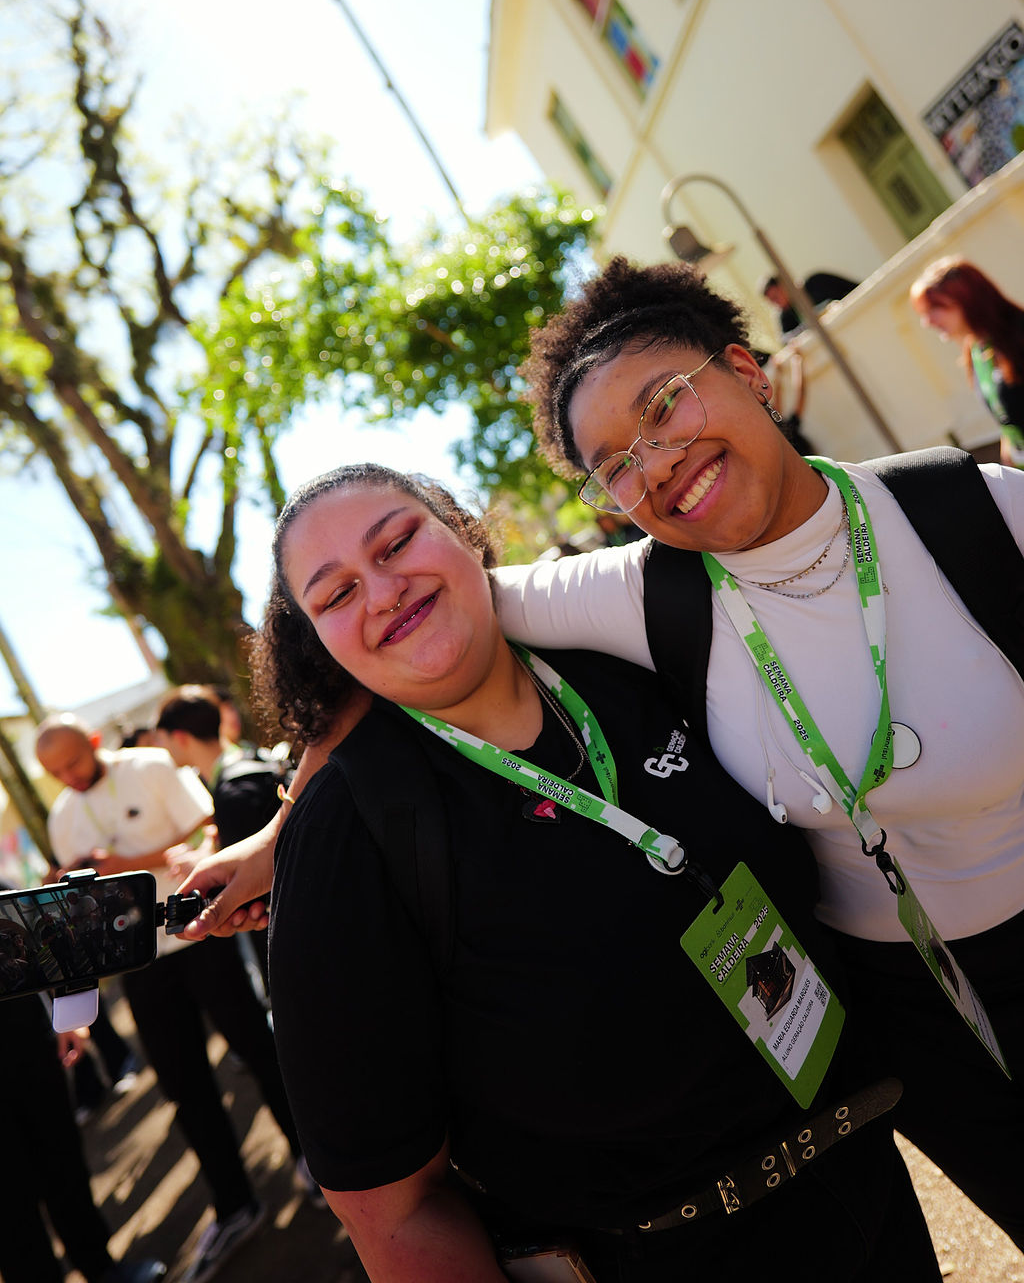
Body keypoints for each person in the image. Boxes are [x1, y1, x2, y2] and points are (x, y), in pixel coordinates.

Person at [241, 461, 940, 1283]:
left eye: (396, 544)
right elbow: (390, 1211)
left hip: (864, 1183)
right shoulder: (347, 837)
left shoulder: (626, 659)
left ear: (464, 532)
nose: (384, 592)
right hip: (668, 1259)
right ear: (317, 643)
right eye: (336, 595)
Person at [478, 254, 1024, 1249]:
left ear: (748, 372)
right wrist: (283, 826)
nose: (654, 465)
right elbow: (430, 612)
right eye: (615, 465)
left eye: (664, 405)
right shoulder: (649, 596)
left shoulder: (979, 511)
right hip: (905, 1020)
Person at [36, 715, 316, 1283]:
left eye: (73, 762)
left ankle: (312, 1156)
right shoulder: (61, 815)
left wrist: (128, 866)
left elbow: (210, 831)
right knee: (183, 1084)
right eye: (55, 772)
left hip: (202, 933)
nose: (68, 777)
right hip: (138, 961)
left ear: (94, 743)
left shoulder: (151, 766)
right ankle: (235, 1204)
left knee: (258, 1046)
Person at [0, 976, 165, 1283]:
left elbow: (32, 945)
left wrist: (69, 1010)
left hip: (21, 1020)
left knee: (62, 1156)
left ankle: (102, 1269)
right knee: (9, 1200)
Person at [153, 684, 290, 989]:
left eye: (161, 740)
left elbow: (261, 877)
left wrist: (206, 868)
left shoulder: (233, 792)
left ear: (180, 738)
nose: (161, 750)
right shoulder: (249, 759)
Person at [909, 253, 1024, 466]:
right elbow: (1007, 421)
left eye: (935, 308)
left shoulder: (1019, 334)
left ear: (967, 300)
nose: (927, 322)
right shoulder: (975, 351)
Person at [762, 271, 857, 338]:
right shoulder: (785, 317)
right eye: (772, 302)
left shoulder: (817, 283)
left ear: (786, 285)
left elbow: (855, 290)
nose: (776, 303)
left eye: (776, 297)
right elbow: (786, 341)